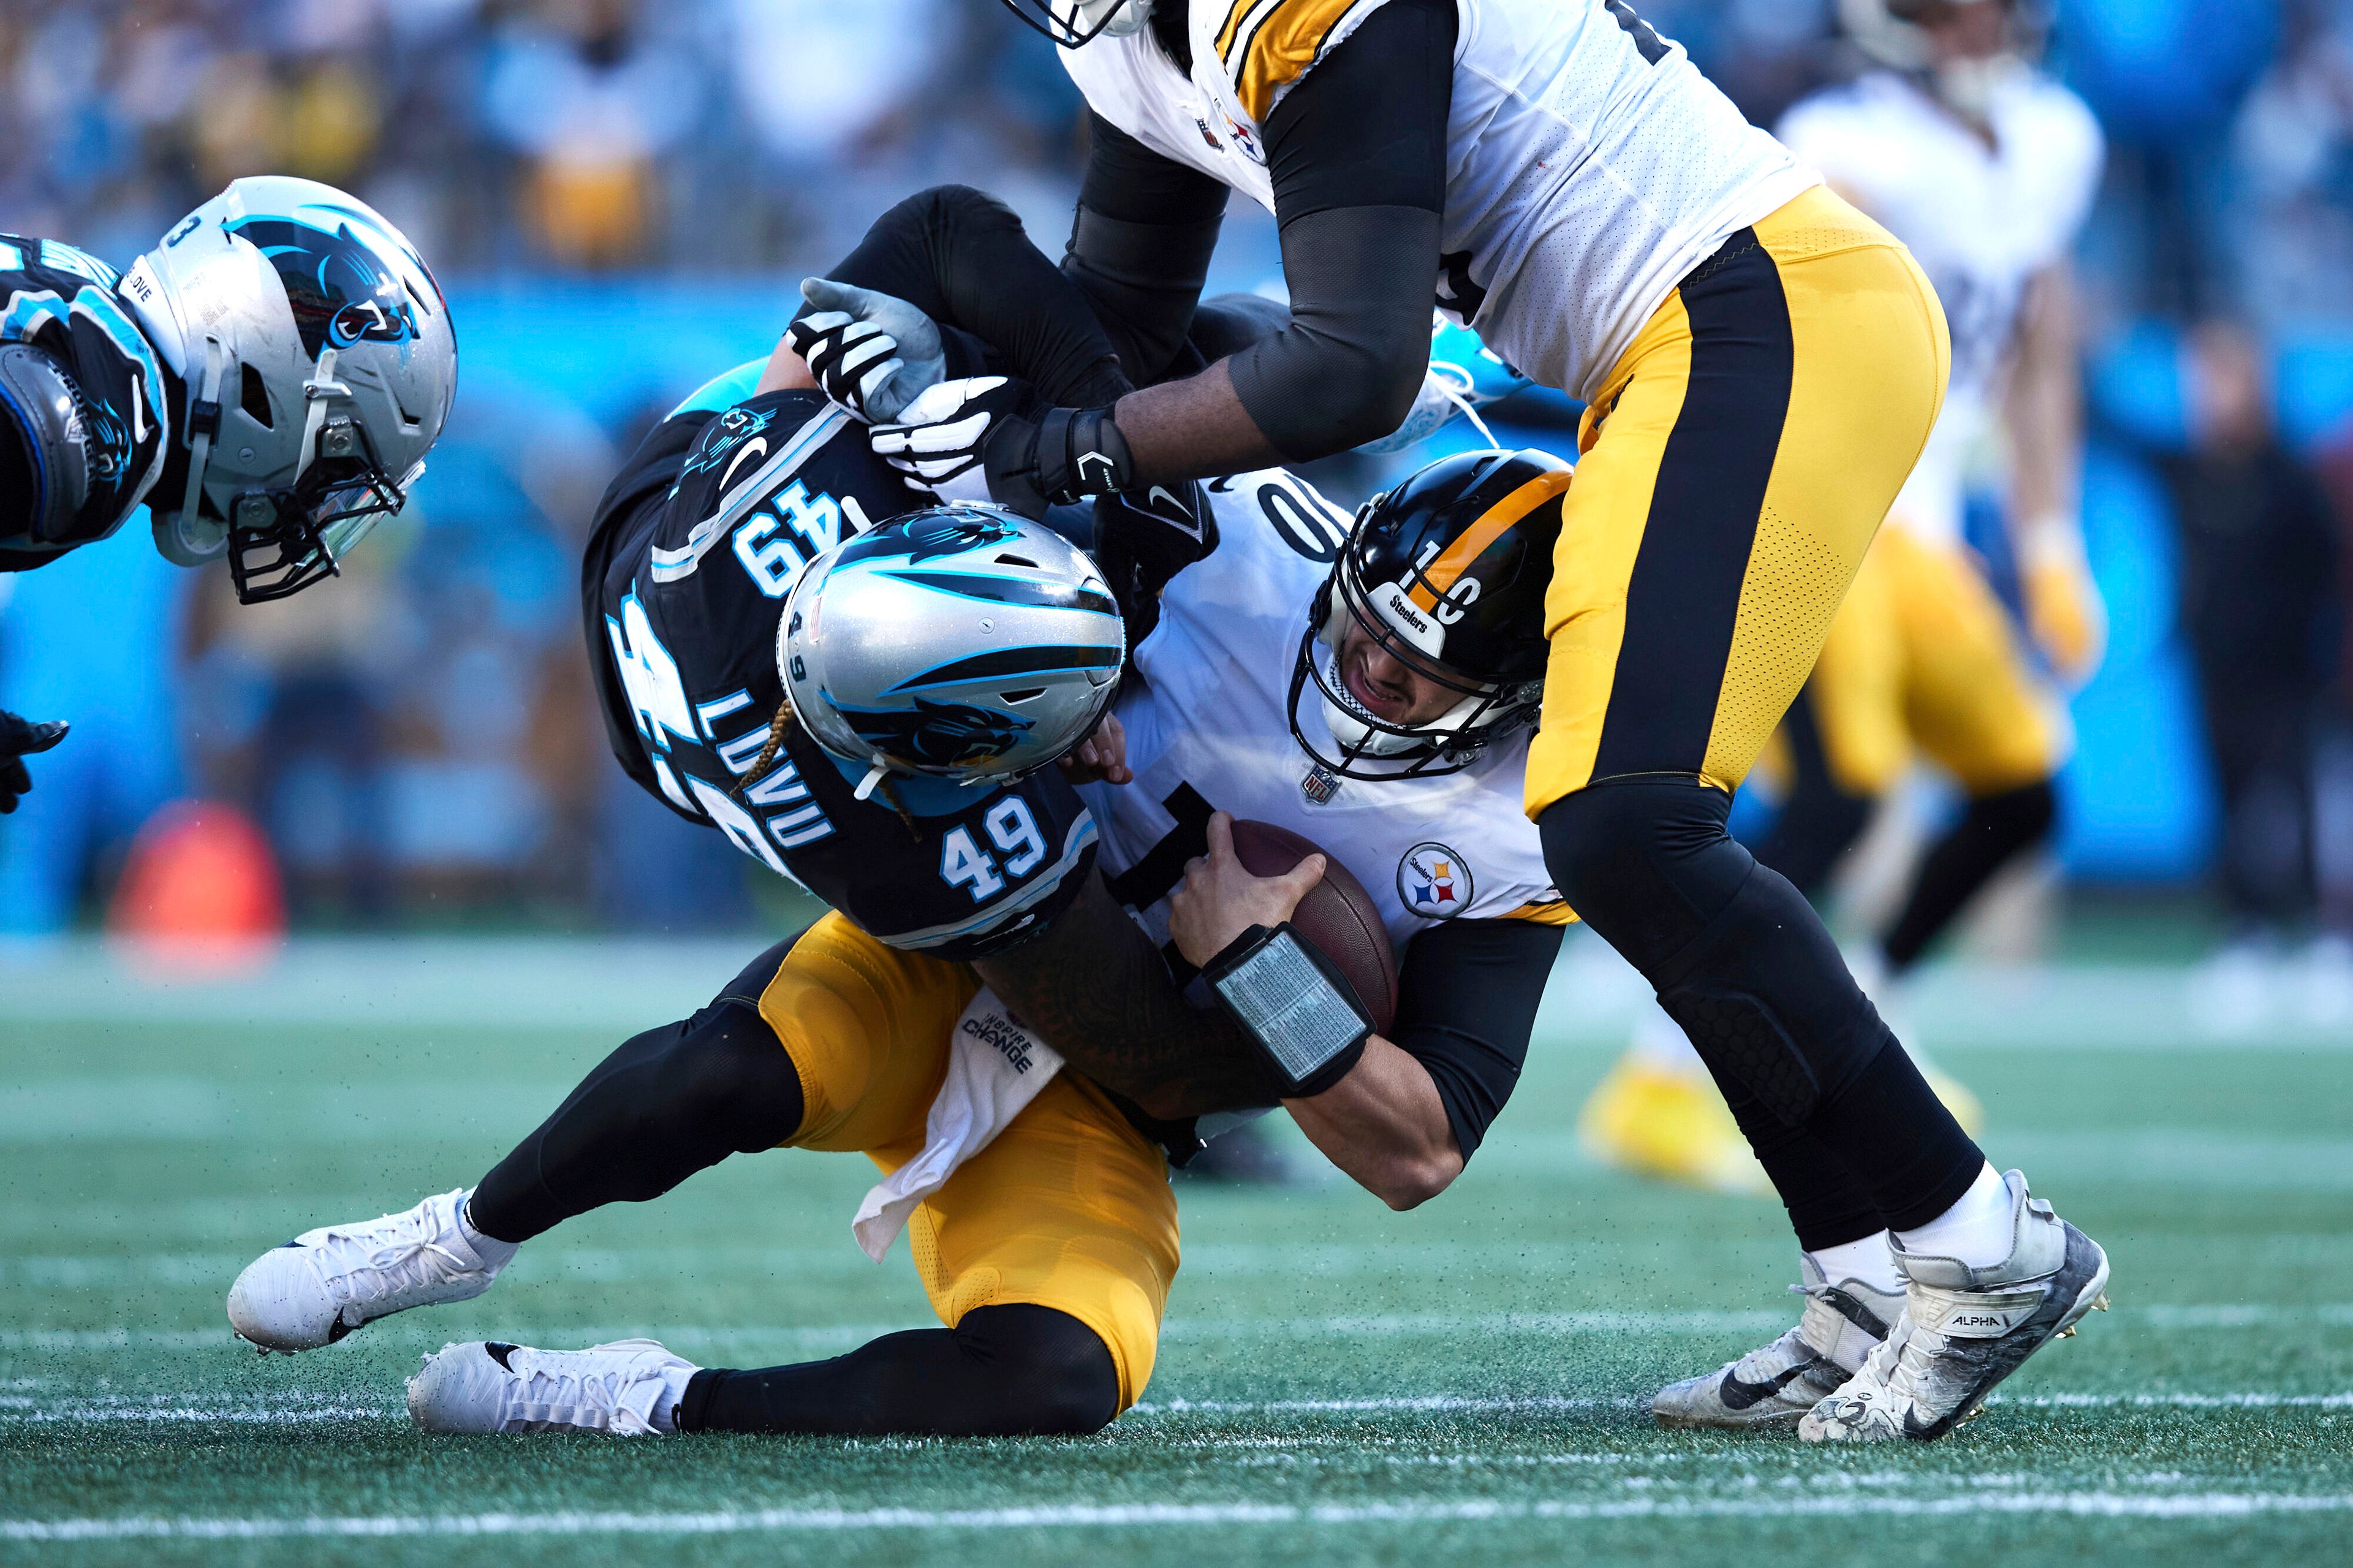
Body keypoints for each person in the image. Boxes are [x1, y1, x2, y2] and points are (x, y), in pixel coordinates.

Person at [851, 0, 2109, 1442]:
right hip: (1675, 344)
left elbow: (1347, 368)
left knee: (1624, 820)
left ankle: (1975, 1237)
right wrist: (1036, 512)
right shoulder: (1129, 46)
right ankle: (1860, 1285)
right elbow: (1123, 338)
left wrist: (1056, 445)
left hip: (1760, 304)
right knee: (1617, 835)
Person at [222, 199, 1571, 1437]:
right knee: (737, 1067)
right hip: (970, 930)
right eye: (1362, 625)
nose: (1364, 671)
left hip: (1115, 1088)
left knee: (1065, 1373)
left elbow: (1422, 1146)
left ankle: (642, 1399)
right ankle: (457, 1234)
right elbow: (969, 261)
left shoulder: (1519, 829)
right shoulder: (1230, 524)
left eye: (1417, 673)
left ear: (1508, 699)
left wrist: (1263, 970)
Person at [1582, 0, 2104, 1194]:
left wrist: (2050, 533)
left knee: (2020, 791)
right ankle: (1662, 1071)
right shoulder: (1839, 139)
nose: (1995, 30)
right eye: (1968, 12)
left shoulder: (2054, 137)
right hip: (1834, 500)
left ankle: (1865, 1015)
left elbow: (2040, 338)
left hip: (1925, 531)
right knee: (1836, 797)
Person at [0, 175, 454, 813]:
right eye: (333, 462)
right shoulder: (103, 431)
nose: (313, 504)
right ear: (270, 385)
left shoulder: (106, 337)